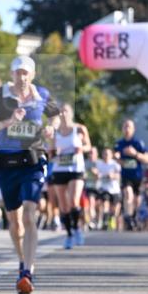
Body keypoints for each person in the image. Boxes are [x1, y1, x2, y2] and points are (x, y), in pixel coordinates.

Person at [0, 55, 60, 294]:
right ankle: (23, 261)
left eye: (26, 73)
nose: (22, 77)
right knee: (15, 222)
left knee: (29, 213)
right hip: (6, 163)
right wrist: (7, 122)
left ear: (32, 74)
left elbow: (56, 115)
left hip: (33, 160)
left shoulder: (42, 94)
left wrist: (51, 128)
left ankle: (28, 271)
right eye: (18, 73)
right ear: (11, 75)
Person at [49, 103, 91, 248]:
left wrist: (80, 148)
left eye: (65, 111)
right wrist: (55, 152)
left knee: (74, 201)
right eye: (61, 112)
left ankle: (78, 228)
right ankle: (69, 234)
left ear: (71, 113)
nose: (63, 114)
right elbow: (51, 153)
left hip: (76, 168)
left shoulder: (79, 129)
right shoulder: (56, 132)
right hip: (60, 169)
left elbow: (88, 146)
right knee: (63, 205)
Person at [114, 119, 148, 231]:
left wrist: (135, 154)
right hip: (126, 176)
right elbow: (114, 157)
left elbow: (146, 159)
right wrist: (118, 159)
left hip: (137, 176)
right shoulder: (119, 144)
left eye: (129, 127)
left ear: (133, 129)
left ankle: (134, 216)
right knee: (128, 194)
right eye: (125, 127)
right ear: (122, 129)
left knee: (137, 200)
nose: (127, 129)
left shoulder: (138, 143)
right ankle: (128, 218)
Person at [95, 148, 122, 230]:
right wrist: (97, 175)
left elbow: (118, 176)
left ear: (111, 155)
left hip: (114, 189)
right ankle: (105, 221)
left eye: (107, 154)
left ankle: (112, 218)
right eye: (104, 154)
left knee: (115, 208)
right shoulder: (99, 164)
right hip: (104, 188)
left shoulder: (115, 164)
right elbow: (96, 173)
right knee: (105, 203)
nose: (106, 156)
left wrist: (112, 176)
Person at [83, 146, 100, 230]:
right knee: (90, 203)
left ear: (97, 154)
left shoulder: (100, 163)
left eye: (93, 153)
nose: (91, 155)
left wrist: (97, 174)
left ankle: (99, 221)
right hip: (89, 187)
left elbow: (104, 175)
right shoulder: (85, 163)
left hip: (100, 188)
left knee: (98, 206)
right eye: (90, 153)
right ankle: (91, 221)